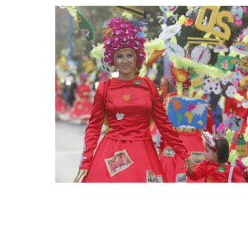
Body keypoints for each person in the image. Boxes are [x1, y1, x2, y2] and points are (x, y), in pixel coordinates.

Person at [74, 17, 191, 183]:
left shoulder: (149, 86)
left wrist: (184, 153)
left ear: (137, 57)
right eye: (120, 56)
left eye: (129, 55)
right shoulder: (104, 88)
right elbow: (93, 128)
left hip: (143, 153)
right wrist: (85, 163)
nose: (125, 61)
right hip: (110, 153)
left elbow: (164, 125)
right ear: (113, 60)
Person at [158, 58, 215, 183]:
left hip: (173, 145)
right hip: (195, 145)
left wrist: (160, 147)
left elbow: (162, 128)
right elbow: (211, 128)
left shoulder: (170, 99)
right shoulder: (201, 98)